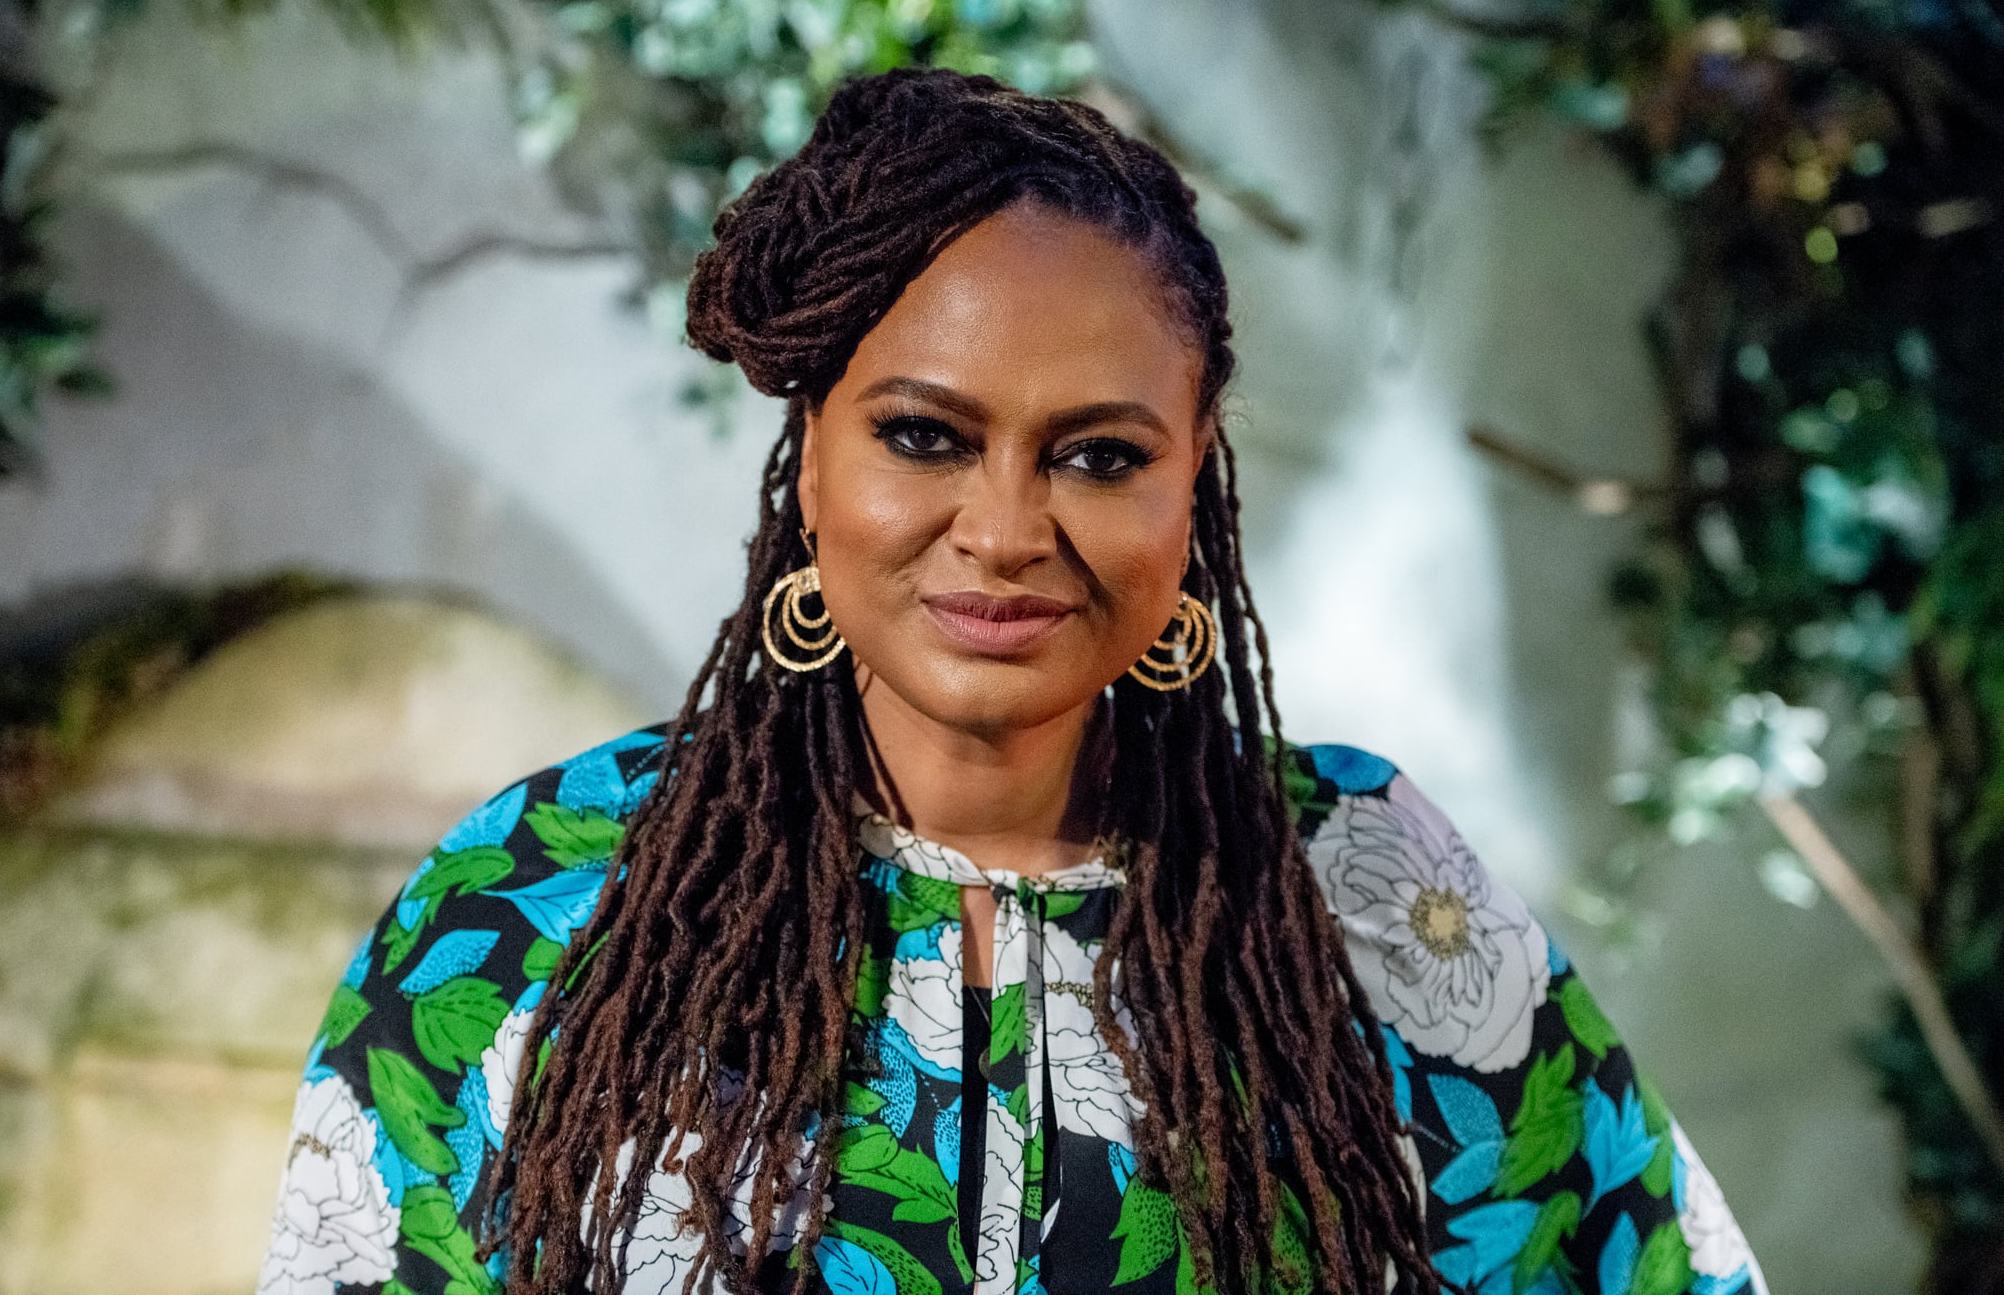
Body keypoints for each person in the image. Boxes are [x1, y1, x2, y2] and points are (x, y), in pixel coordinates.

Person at [255, 67, 1767, 1295]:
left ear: (1197, 481)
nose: (1005, 531)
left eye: (1099, 456)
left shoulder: (1374, 898)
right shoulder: (535, 903)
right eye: (924, 434)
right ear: (813, 462)